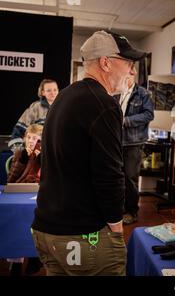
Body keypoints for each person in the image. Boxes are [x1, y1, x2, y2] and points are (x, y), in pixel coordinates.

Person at [31, 30, 146, 276]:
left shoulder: (64, 96)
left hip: (47, 230)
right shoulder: (103, 104)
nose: (132, 72)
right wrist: (116, 230)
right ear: (106, 62)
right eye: (128, 63)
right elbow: (109, 174)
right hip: (82, 235)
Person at [7, 124, 44, 276]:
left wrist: (38, 158)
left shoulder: (46, 156)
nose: (30, 141)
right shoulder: (19, 154)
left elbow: (43, 179)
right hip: (18, 196)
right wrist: (23, 160)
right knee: (14, 221)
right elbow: (11, 180)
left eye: (35, 138)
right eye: (28, 137)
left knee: (33, 222)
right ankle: (15, 262)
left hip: (37, 198)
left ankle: (34, 258)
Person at [116, 77, 154, 224]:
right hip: (116, 141)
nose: (125, 78)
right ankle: (118, 210)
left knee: (130, 178)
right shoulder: (116, 92)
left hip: (133, 142)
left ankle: (131, 212)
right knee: (117, 177)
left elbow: (149, 115)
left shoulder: (143, 93)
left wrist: (126, 121)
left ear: (133, 76)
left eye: (127, 75)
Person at [9, 79, 58, 151]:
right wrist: (20, 152)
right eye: (49, 90)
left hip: (56, 151)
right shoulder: (35, 107)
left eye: (55, 90)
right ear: (43, 92)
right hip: (38, 152)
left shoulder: (64, 107)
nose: (53, 93)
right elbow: (18, 131)